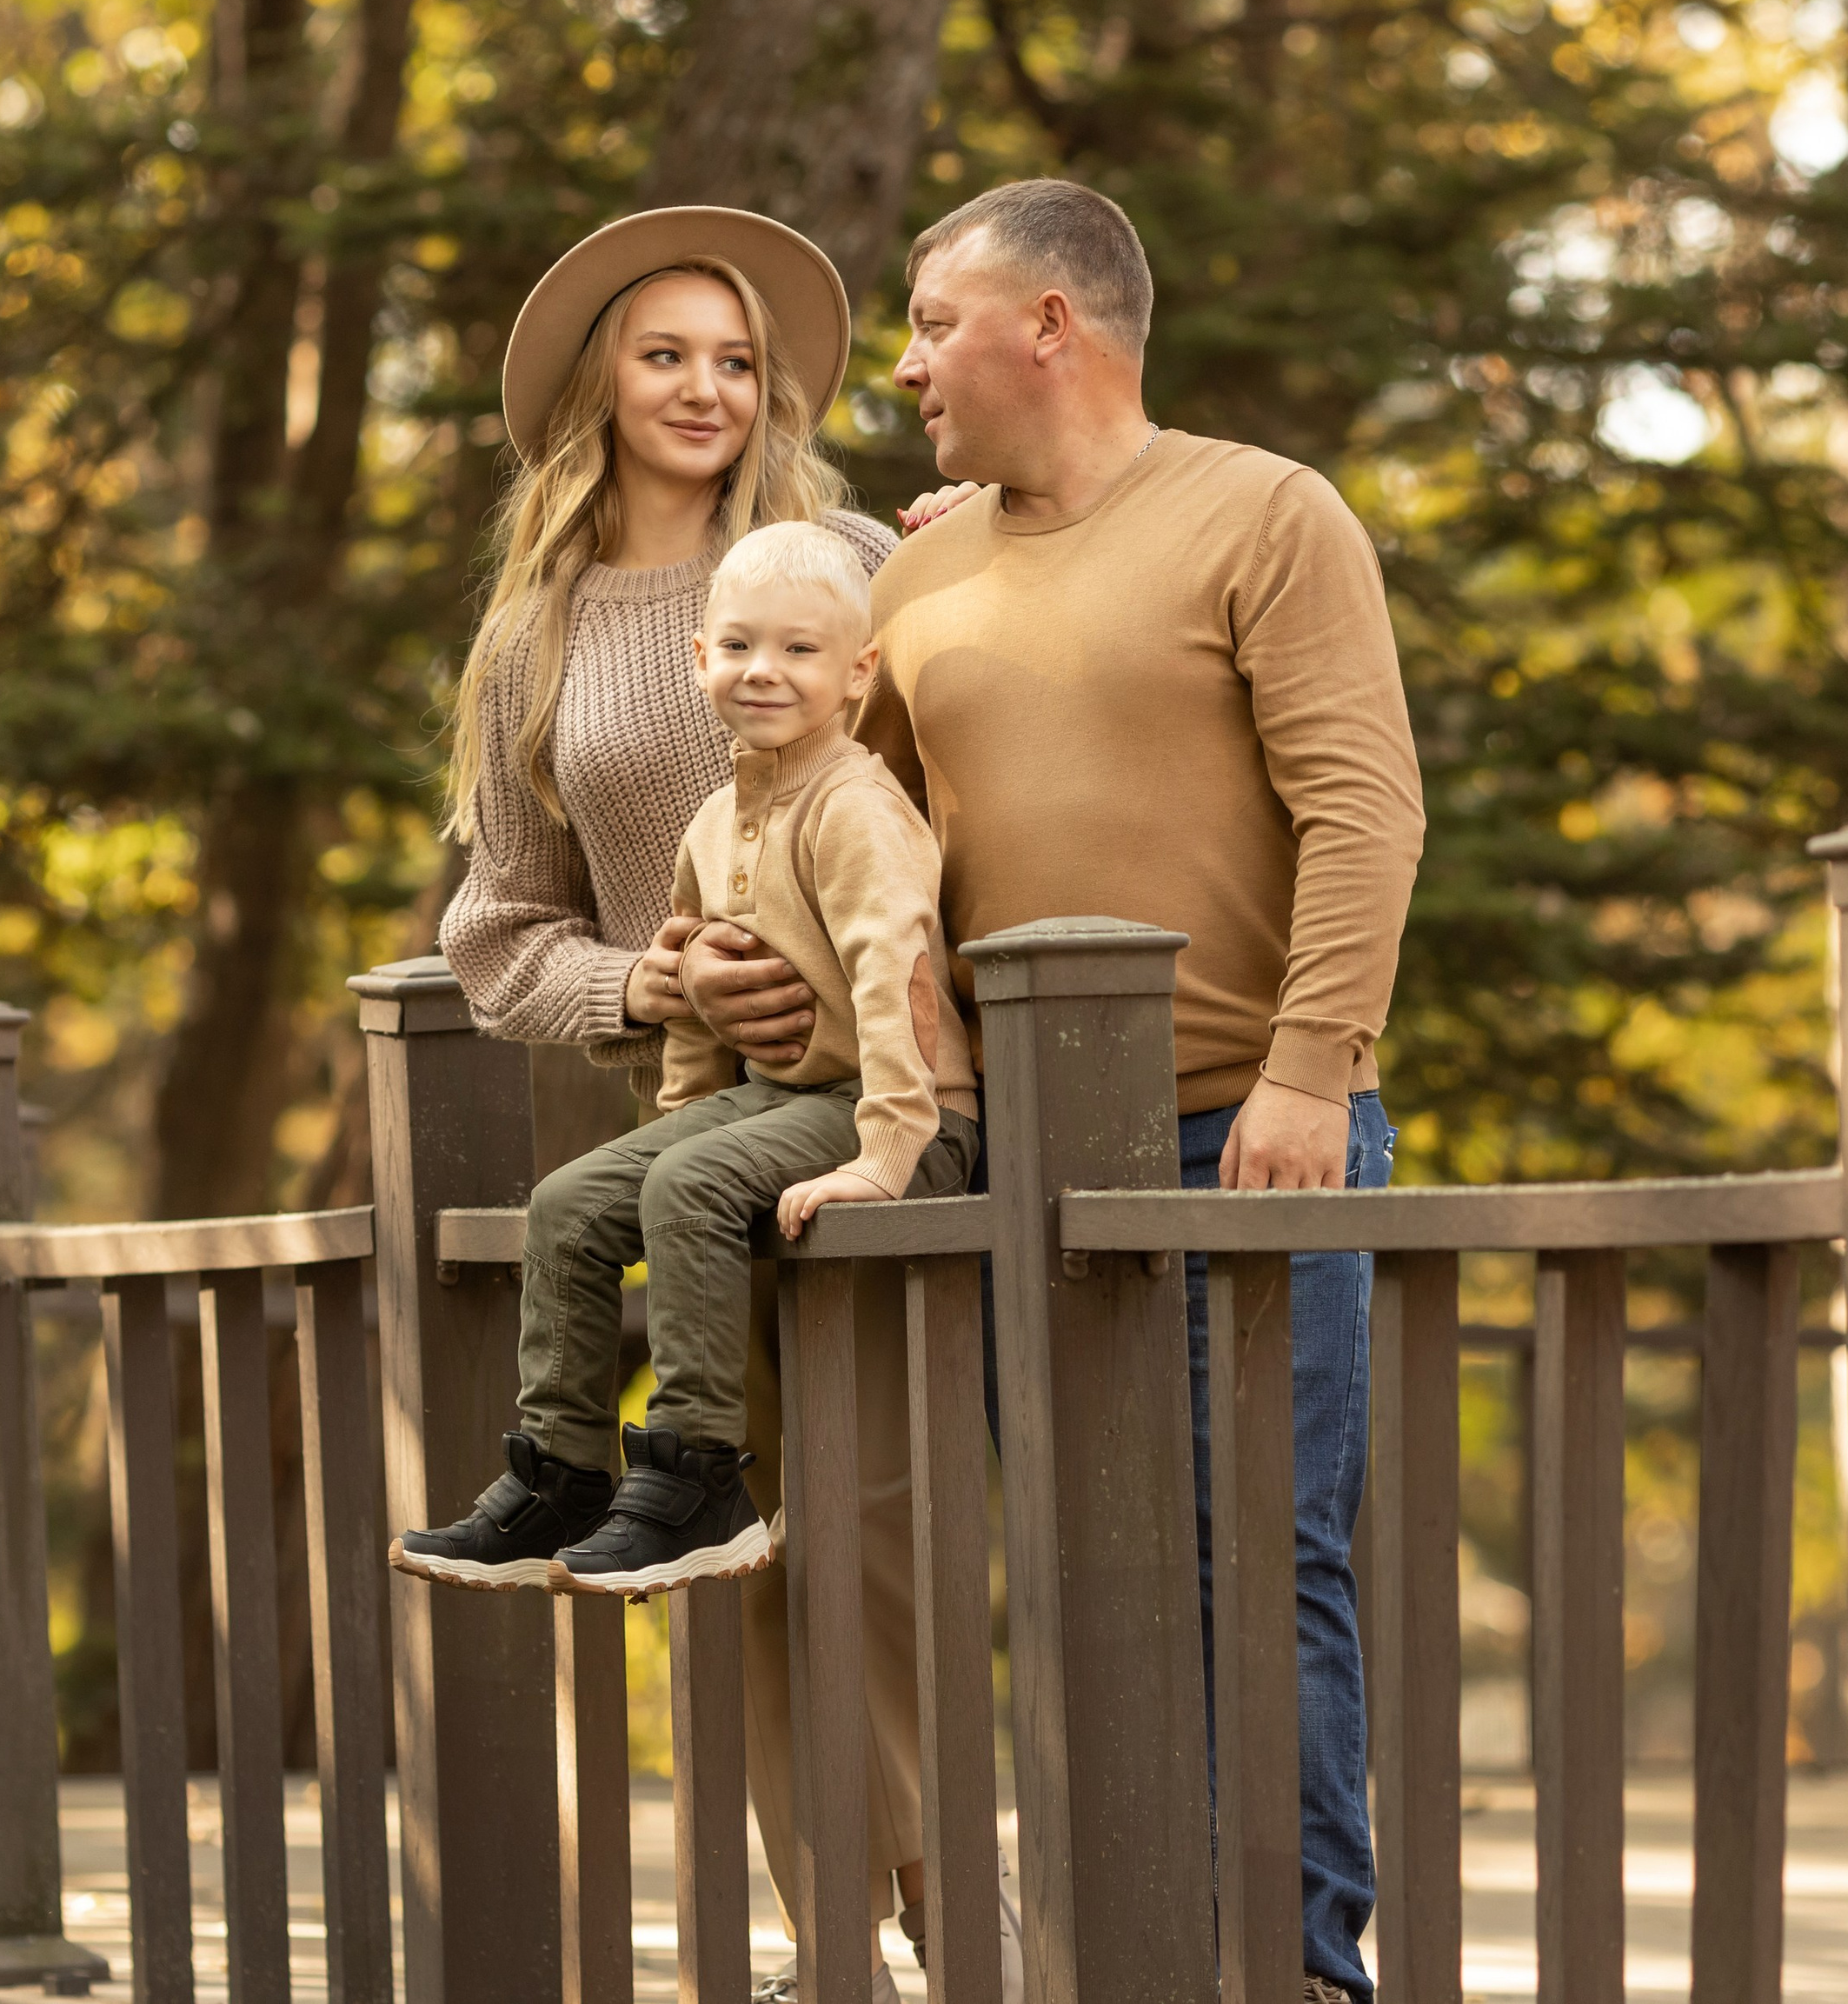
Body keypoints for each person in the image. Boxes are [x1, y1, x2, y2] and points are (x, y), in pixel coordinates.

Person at [685, 177, 1425, 2004]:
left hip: (1237, 1124)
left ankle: (1293, 1965)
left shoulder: (1263, 512)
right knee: (1082, 1568)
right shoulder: (914, 575)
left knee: (1253, 1554)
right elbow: (853, 848)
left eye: (937, 320)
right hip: (1004, 1155)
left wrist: (1305, 1073)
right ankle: (1125, 1950)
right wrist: (707, 967)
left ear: (1052, 325)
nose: (908, 360)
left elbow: (1363, 810)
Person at [427, 207, 1012, 1999]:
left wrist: (972, 547)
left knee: (895, 1533)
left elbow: (969, 768)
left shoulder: (854, 557)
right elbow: (494, 929)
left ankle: (966, 1929)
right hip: (695, 1114)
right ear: (599, 375)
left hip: (877, 1109)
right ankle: (832, 1940)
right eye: (664, 350)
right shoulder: (532, 636)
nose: (702, 386)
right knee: (730, 1552)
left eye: (735, 358)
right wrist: (651, 981)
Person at [394, 522, 980, 1596]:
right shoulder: (715, 820)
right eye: (741, 646)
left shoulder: (854, 807)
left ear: (857, 675)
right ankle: (562, 1473)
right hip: (780, 1100)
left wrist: (889, 1151)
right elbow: (701, 1024)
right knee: (570, 1204)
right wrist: (672, 1126)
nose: (766, 671)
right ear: (698, 659)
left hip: (900, 1109)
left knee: (691, 1181)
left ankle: (699, 1478)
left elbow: (899, 977)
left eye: (801, 652)